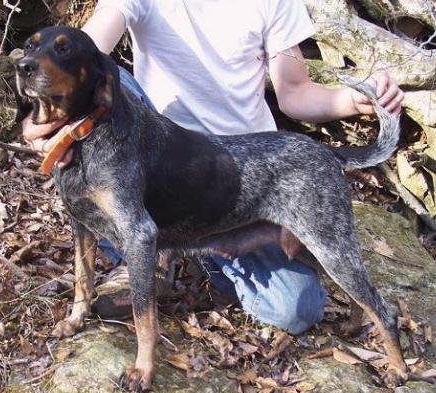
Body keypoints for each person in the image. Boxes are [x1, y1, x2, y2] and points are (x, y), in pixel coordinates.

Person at [22, 0, 405, 335]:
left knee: (297, 308)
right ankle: (148, 255)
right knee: (107, 72)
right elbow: (90, 44)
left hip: (240, 172)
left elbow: (295, 93)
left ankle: (190, 251)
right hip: (162, 154)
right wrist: (46, 120)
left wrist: (351, 101)